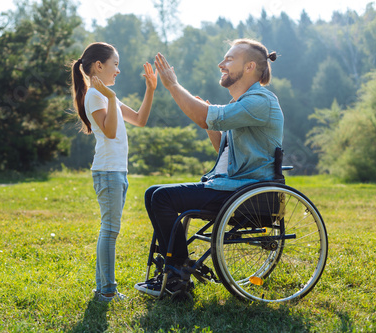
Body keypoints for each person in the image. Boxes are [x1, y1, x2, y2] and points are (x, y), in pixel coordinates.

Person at [134, 38, 283, 297]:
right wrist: (209, 124)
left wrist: (173, 85)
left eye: (229, 59)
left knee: (162, 197)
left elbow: (207, 116)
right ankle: (175, 269)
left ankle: (177, 274)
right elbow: (224, 150)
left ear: (249, 67)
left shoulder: (260, 101)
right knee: (153, 193)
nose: (220, 64)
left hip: (244, 191)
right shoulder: (241, 105)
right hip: (229, 186)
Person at [71, 42, 157, 302]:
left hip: (117, 171)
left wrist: (150, 89)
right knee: (110, 230)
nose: (118, 70)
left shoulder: (107, 95)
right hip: (108, 171)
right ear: (99, 66)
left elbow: (140, 120)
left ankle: (102, 289)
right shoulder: (96, 95)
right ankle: (107, 291)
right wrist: (109, 97)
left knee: (108, 229)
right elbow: (109, 132)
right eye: (115, 64)